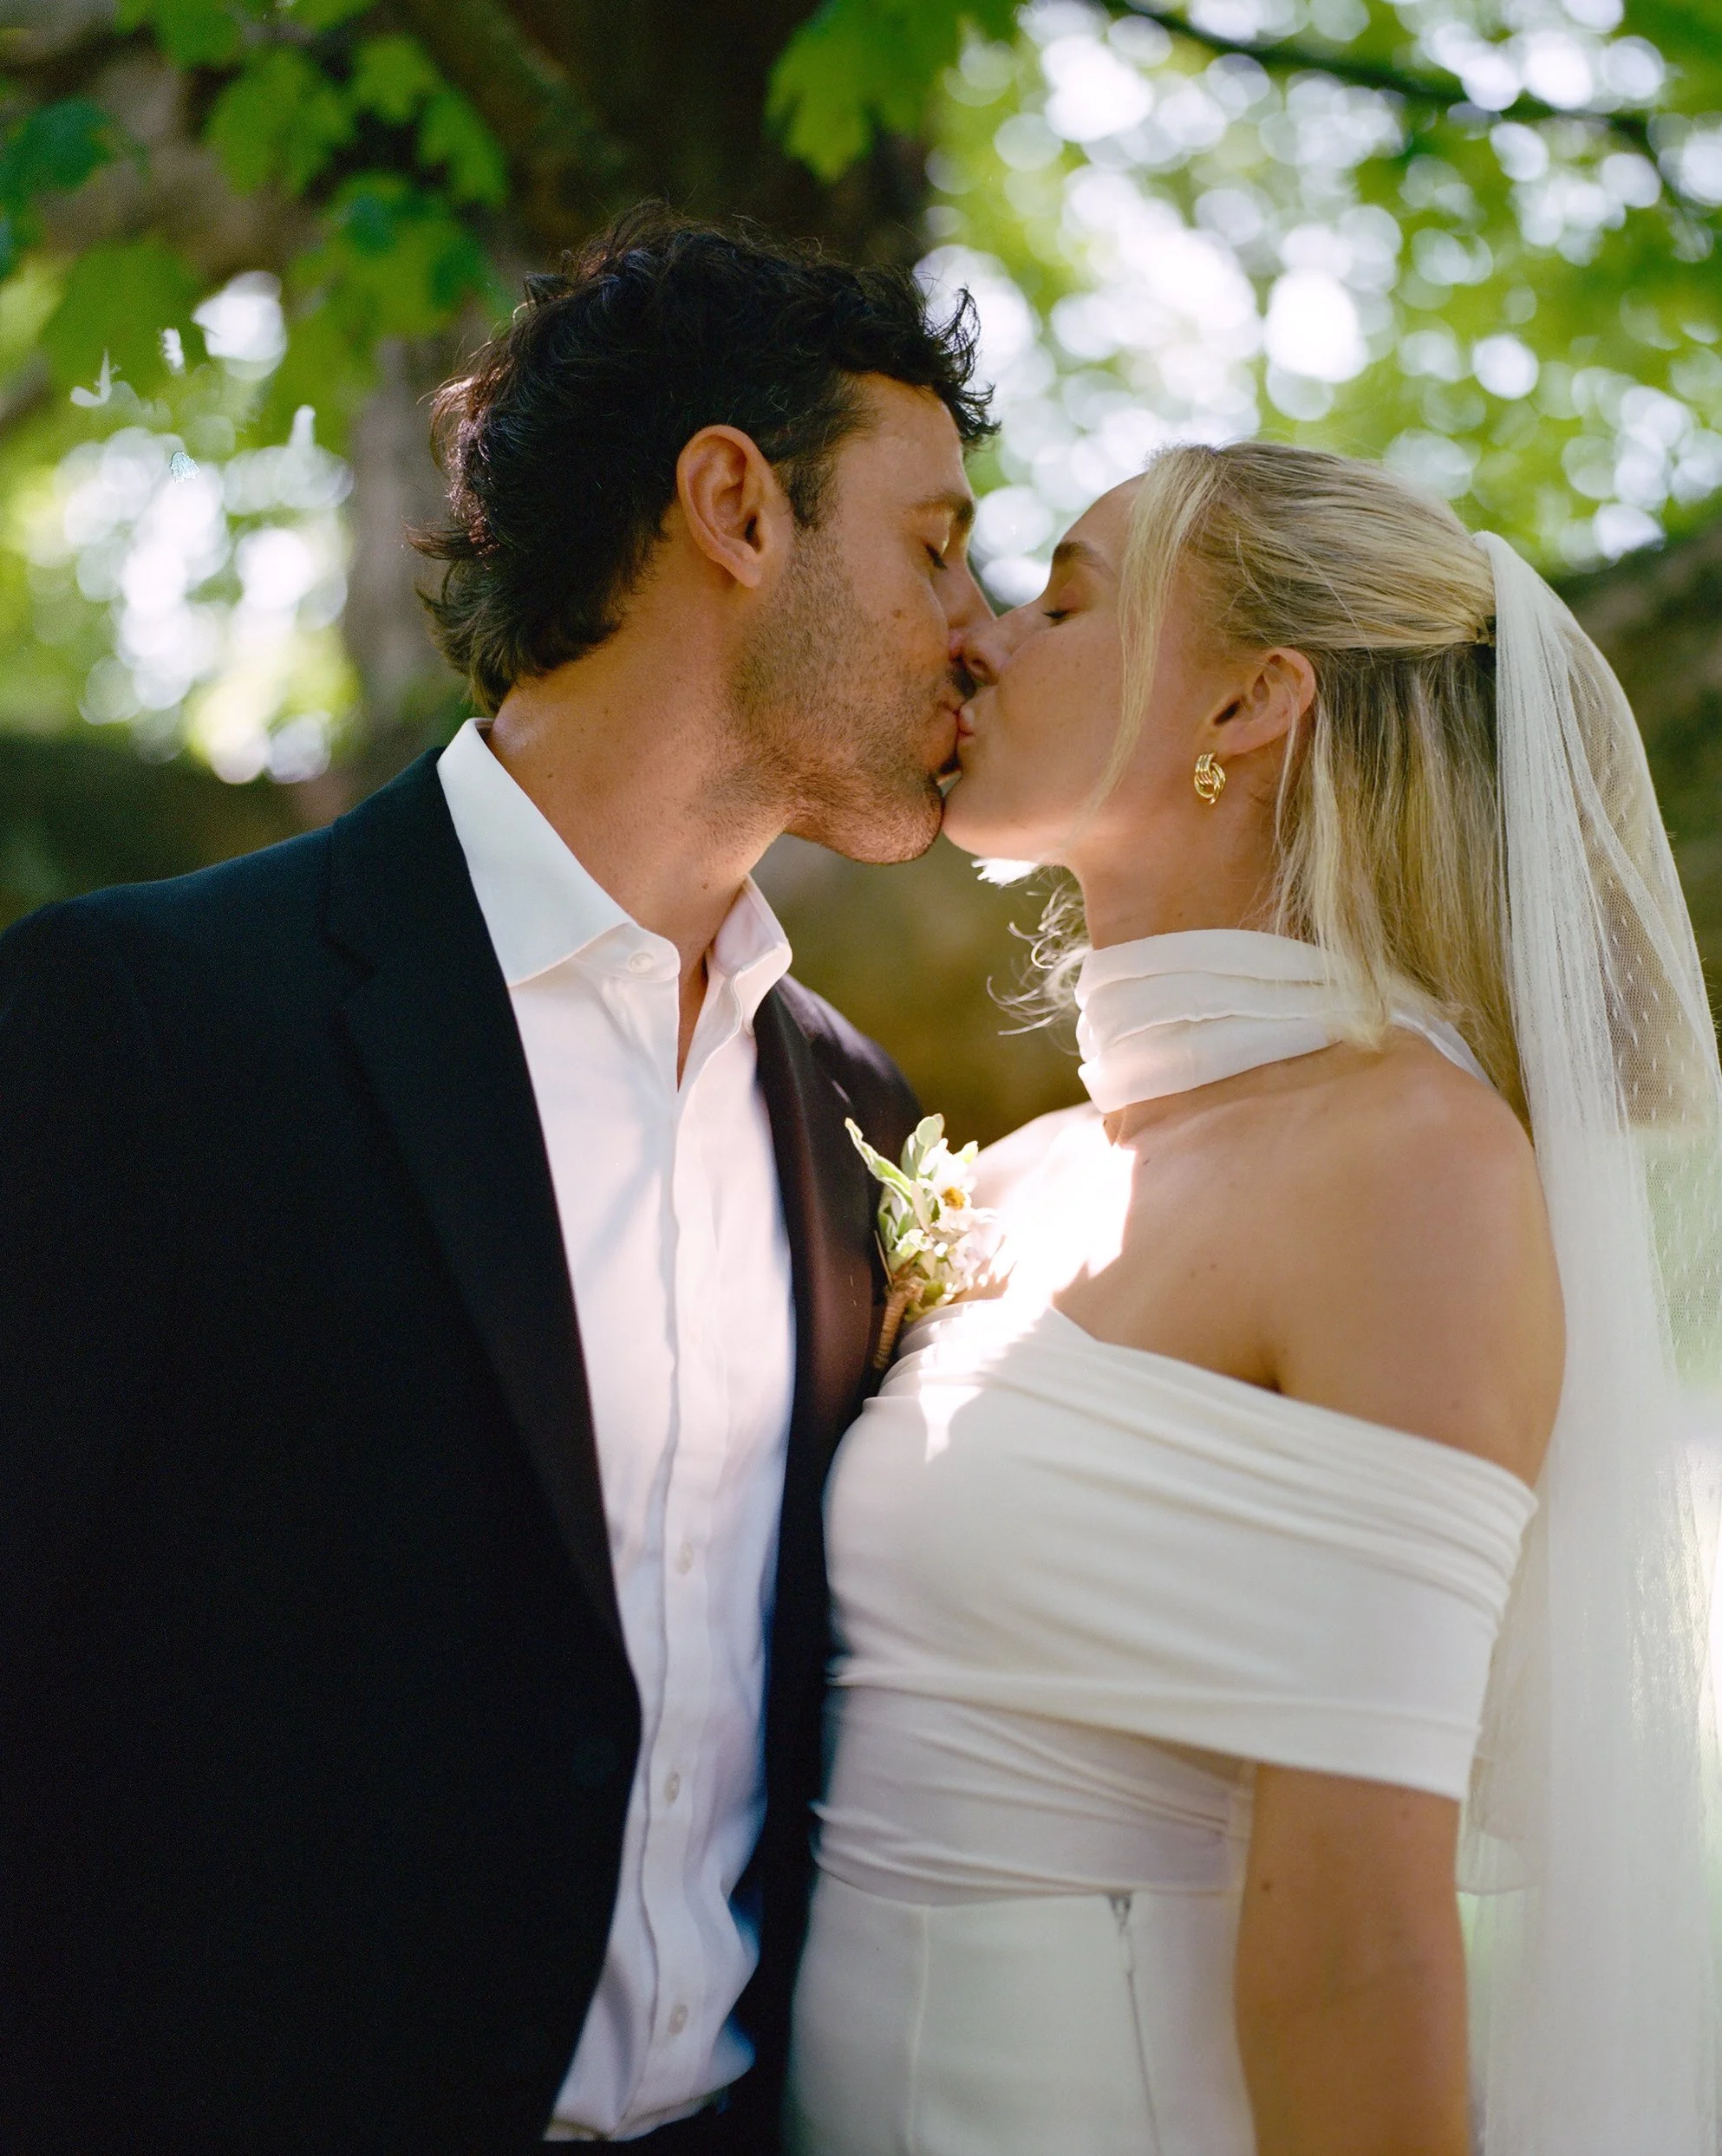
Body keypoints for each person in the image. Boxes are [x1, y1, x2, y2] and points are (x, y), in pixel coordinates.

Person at [0, 211, 995, 2153]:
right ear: (735, 506)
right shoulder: (142, 1023)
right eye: (935, 546)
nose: (977, 624)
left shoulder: (853, 1117)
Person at [786, 442, 1722, 2155]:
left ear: (1246, 705)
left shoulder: (1408, 1166)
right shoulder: (1020, 1175)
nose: (980, 637)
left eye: (1063, 600)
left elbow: (1360, 1946)